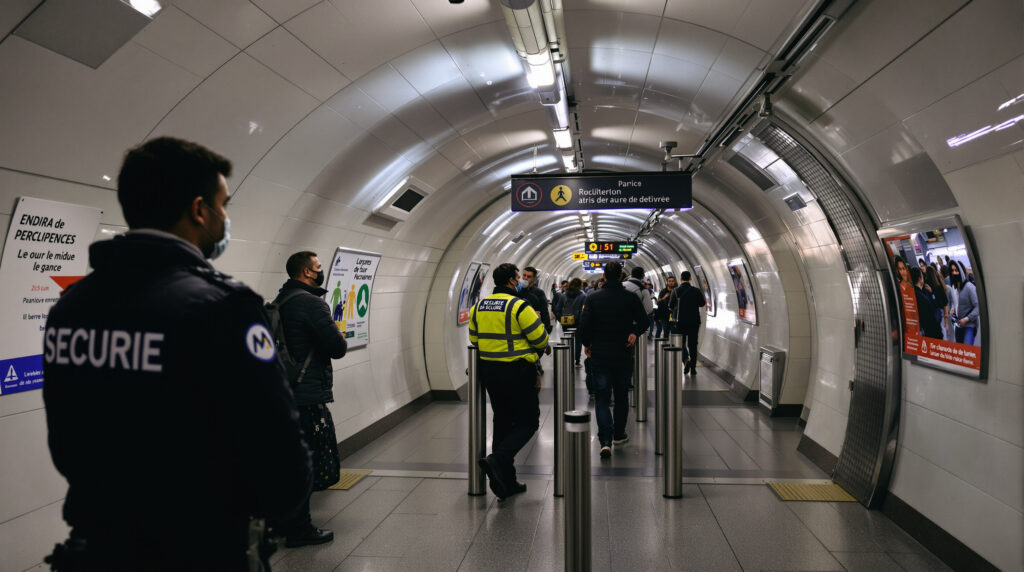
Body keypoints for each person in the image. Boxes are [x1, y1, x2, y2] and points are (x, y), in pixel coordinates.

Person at [41, 137, 311, 571]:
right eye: (223, 205)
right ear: (199, 210)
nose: (224, 218)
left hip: (99, 545)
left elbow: (66, 440)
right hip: (198, 546)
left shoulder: (72, 305)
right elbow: (278, 453)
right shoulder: (224, 307)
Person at [274, 251, 350, 547]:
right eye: (318, 268)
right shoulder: (311, 303)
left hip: (284, 391)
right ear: (307, 272)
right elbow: (337, 346)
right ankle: (299, 528)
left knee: (287, 460)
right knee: (305, 462)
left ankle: (282, 521)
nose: (320, 272)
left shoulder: (280, 300)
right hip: (306, 396)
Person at [470, 263, 550, 499]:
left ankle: (507, 482)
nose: (521, 280)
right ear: (513, 281)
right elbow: (540, 338)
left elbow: (474, 339)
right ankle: (497, 459)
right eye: (519, 277)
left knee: (502, 421)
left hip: (489, 371)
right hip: (517, 370)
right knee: (528, 421)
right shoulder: (519, 306)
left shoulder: (479, 307)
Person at [578, 262, 649, 459]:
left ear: (603, 275)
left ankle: (605, 440)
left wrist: (587, 344)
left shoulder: (593, 298)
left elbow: (584, 325)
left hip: (600, 353)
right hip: (623, 352)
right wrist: (634, 332)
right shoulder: (630, 297)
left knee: (602, 397)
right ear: (621, 277)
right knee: (621, 395)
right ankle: (619, 434)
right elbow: (644, 321)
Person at [670, 271, 707, 374]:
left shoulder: (676, 291)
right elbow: (702, 304)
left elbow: (671, 305)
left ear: (681, 279)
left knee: (681, 343)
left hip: (680, 321)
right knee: (693, 344)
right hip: (694, 321)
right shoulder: (696, 291)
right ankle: (693, 368)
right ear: (690, 278)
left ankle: (686, 360)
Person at [557, 278, 587, 366]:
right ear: (579, 286)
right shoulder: (583, 296)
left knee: (567, 340)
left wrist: (562, 319)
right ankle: (577, 361)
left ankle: (567, 358)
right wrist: (580, 321)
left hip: (566, 322)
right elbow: (584, 311)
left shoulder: (563, 295)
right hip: (578, 323)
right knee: (578, 341)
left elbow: (557, 309)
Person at [950, 265, 980, 345]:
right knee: (960, 351)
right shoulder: (953, 287)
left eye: (956, 270)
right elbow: (954, 302)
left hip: (970, 325)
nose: (954, 273)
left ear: (961, 271)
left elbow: (978, 308)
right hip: (958, 324)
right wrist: (952, 310)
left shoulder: (969, 287)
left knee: (967, 351)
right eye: (952, 271)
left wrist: (966, 319)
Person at [910, 267, 942, 339]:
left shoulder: (918, 292)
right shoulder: (921, 297)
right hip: (932, 333)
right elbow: (934, 315)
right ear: (919, 278)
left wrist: (931, 293)